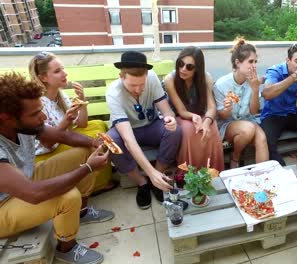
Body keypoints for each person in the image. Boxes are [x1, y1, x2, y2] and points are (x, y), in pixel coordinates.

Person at [0, 72, 114, 264]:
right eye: (36, 114)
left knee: (84, 151)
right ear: (6, 117)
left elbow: (63, 136)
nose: (43, 116)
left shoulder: (24, 124)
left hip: (25, 179)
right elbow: (33, 193)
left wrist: (93, 143)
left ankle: (82, 212)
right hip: (4, 206)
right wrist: (87, 168)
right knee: (67, 197)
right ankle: (66, 248)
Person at [29, 51, 113, 193]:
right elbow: (49, 142)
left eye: (63, 68)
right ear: (43, 77)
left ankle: (101, 180)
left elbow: (82, 124)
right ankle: (91, 187)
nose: (64, 73)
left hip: (62, 138)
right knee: (89, 148)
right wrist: (67, 120)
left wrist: (83, 101)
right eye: (57, 71)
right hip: (47, 151)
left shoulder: (59, 95)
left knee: (98, 125)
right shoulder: (39, 103)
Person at [106, 51, 181, 209]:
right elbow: (128, 139)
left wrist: (171, 120)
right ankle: (143, 182)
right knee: (111, 141)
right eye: (133, 85)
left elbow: (167, 111)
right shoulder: (113, 93)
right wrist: (149, 172)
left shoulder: (152, 78)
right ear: (121, 76)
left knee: (175, 131)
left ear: (147, 75)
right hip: (127, 131)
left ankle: (158, 176)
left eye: (142, 84)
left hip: (151, 126)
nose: (138, 89)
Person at [164, 46, 224, 171]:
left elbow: (212, 107)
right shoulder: (170, 80)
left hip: (200, 114)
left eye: (189, 67)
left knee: (212, 129)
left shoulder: (205, 78)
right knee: (189, 130)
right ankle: (188, 174)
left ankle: (212, 174)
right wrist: (194, 117)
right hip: (179, 116)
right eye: (181, 64)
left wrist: (207, 122)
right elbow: (181, 111)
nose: (183, 69)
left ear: (197, 69)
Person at [214, 38, 268, 168]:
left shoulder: (253, 81)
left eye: (255, 61)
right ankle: (235, 157)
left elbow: (254, 112)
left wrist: (255, 89)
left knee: (262, 138)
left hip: (248, 120)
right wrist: (227, 108)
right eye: (250, 61)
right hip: (228, 124)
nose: (254, 65)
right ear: (238, 63)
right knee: (249, 129)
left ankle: (264, 175)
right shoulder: (222, 84)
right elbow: (223, 116)